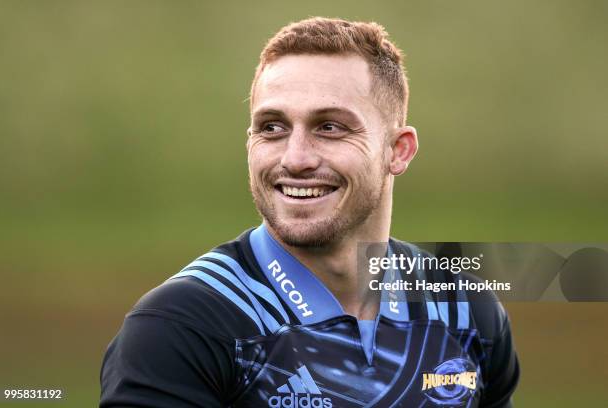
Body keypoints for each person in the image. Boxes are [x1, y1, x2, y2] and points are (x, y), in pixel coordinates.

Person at [100, 17, 519, 407]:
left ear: (398, 150)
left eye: (330, 127)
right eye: (272, 127)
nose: (295, 158)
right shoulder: (181, 329)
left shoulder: (464, 311)